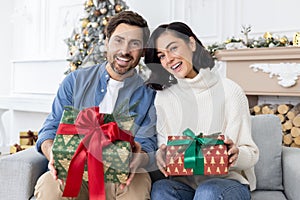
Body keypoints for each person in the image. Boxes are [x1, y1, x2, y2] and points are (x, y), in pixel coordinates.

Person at [34, 11, 157, 200]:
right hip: (74, 170)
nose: (125, 50)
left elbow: (147, 142)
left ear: (142, 51)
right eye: (118, 40)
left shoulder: (148, 94)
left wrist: (138, 157)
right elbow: (51, 128)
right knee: (50, 188)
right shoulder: (75, 81)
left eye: (134, 44)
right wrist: (52, 154)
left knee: (138, 189)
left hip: (122, 176)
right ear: (107, 42)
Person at [144, 22, 259, 200]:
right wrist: (162, 155)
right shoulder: (164, 98)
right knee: (161, 189)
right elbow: (165, 146)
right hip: (185, 184)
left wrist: (236, 154)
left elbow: (251, 154)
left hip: (227, 184)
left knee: (207, 191)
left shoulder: (230, 91)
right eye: (161, 56)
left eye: (173, 48)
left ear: (191, 43)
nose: (169, 59)